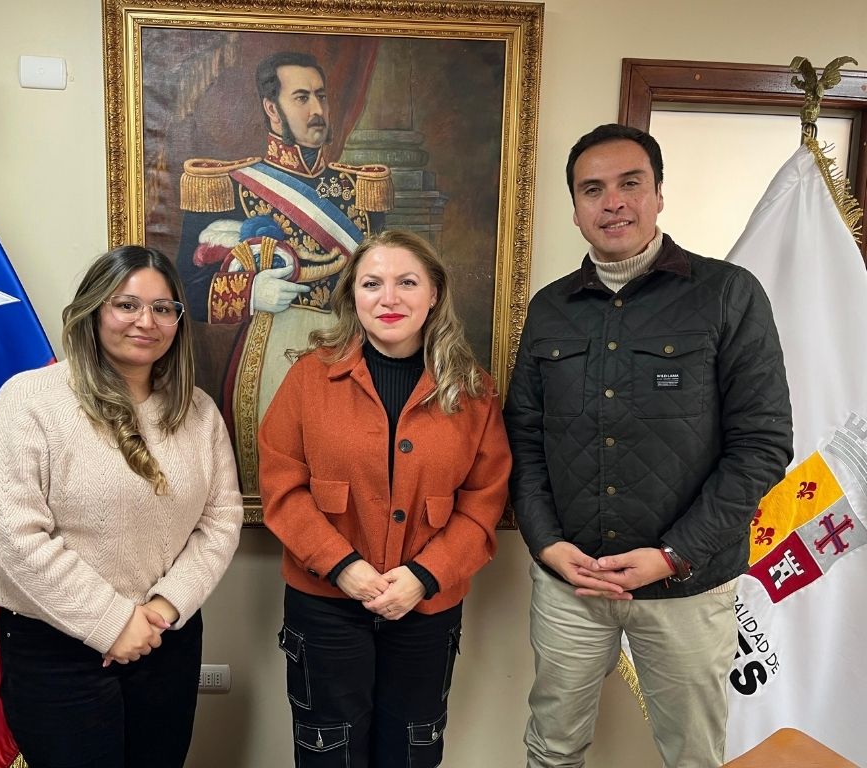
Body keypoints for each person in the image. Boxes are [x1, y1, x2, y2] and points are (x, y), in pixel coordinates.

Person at [504, 123, 794, 767]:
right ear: (575, 208)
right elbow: (522, 438)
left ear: (658, 193)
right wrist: (548, 544)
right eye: (593, 189)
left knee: (692, 755)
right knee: (552, 747)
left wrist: (672, 555)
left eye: (629, 183)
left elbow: (763, 444)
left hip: (687, 588)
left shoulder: (727, 294)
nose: (613, 202)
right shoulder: (550, 310)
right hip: (569, 586)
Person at [0, 246, 244, 768]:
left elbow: (221, 520)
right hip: (57, 649)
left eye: (163, 309)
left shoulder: (199, 411)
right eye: (127, 305)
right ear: (94, 310)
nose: (146, 321)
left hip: (167, 641)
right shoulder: (30, 400)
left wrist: (161, 611)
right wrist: (114, 622)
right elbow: (12, 536)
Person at [259, 229, 511, 767]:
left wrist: (422, 576)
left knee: (412, 749)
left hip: (426, 609)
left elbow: (483, 503)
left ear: (434, 294)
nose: (389, 298)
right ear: (353, 295)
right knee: (330, 749)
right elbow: (282, 486)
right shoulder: (308, 378)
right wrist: (342, 566)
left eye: (407, 282)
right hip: (326, 606)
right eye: (372, 283)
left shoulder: (472, 391)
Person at [177, 50, 393, 492]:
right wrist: (251, 292)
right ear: (271, 109)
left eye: (321, 96)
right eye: (301, 98)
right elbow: (186, 291)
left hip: (352, 355)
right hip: (270, 355)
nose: (317, 110)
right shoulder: (230, 185)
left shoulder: (361, 187)